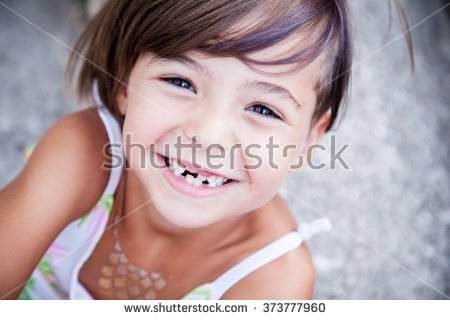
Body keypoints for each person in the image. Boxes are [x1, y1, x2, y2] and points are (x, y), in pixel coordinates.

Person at [0, 0, 413, 300]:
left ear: (308, 141)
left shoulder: (271, 279)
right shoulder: (83, 154)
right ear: (125, 83)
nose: (209, 138)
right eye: (181, 82)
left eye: (262, 108)